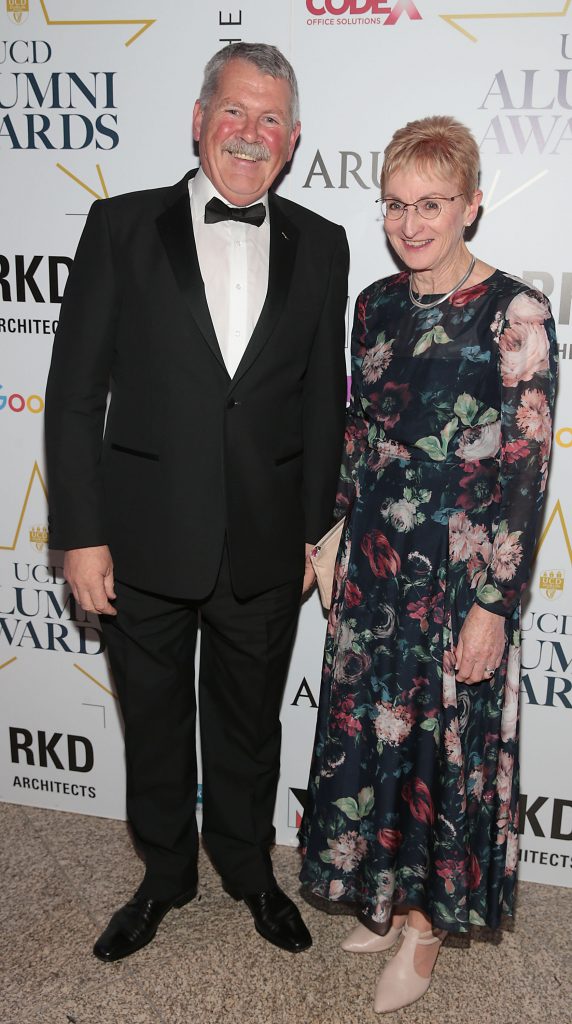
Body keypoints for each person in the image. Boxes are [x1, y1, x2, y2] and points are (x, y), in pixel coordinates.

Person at [45, 42, 349, 962]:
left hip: (267, 543)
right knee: (154, 723)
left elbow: (321, 402)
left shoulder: (322, 242)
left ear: (293, 138)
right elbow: (73, 394)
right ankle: (165, 875)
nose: (250, 134)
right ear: (198, 118)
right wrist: (80, 536)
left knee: (251, 728)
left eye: (270, 119)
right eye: (235, 111)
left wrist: (316, 531)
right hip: (140, 541)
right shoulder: (120, 226)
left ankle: (250, 872)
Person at [299, 115, 557, 1013]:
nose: (412, 224)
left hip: (456, 577)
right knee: (375, 738)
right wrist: (326, 533)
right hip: (374, 562)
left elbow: (526, 469)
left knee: (439, 750)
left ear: (472, 204)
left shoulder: (516, 312)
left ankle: (425, 929)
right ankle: (383, 895)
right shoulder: (372, 304)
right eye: (397, 204)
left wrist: (494, 604)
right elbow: (358, 433)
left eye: (433, 204)